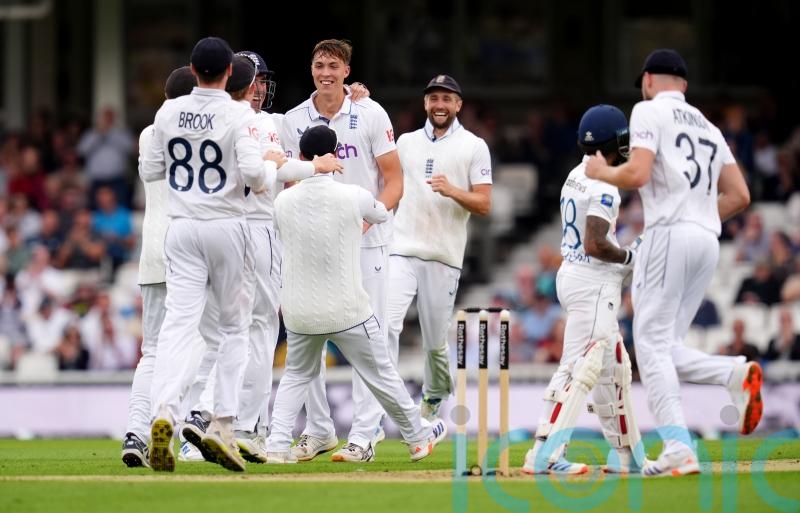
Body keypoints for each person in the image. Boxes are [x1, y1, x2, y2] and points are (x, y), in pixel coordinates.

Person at [586, 49, 759, 477]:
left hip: (670, 233)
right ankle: (733, 374)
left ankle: (678, 447)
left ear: (648, 80)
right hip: (707, 238)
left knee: (648, 344)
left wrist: (600, 172)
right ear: (683, 84)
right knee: (667, 346)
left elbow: (638, 173)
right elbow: (740, 196)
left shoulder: (647, 110)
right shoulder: (709, 126)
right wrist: (699, 218)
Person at [179, 54, 342, 464]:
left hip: (214, 230)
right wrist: (312, 167)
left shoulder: (213, 121)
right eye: (255, 82)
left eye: (263, 82)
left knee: (219, 331)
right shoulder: (259, 124)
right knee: (259, 331)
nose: (259, 89)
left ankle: (200, 419)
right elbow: (274, 169)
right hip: (256, 229)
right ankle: (244, 426)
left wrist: (355, 94)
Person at [265, 125, 446, 463]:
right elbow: (380, 213)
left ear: (302, 157)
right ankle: (418, 437)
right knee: (381, 374)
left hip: (300, 310)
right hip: (347, 308)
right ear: (334, 155)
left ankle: (276, 445)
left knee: (296, 376)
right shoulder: (353, 195)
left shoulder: (282, 201)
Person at [139, 36, 277, 473]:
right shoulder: (238, 114)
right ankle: (222, 422)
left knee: (179, 327)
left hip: (181, 228)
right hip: (227, 225)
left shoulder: (167, 111)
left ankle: (165, 410)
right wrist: (272, 165)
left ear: (193, 70)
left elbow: (150, 169)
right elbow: (256, 176)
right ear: (230, 75)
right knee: (234, 328)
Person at [279, 39, 403, 463]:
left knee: (373, 341)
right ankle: (318, 430)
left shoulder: (370, 112)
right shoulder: (293, 119)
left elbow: (394, 181)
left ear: (347, 71)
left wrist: (370, 218)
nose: (325, 72)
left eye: (333, 65)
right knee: (308, 333)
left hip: (369, 243)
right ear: (311, 69)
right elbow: (289, 181)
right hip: (318, 246)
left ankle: (364, 436)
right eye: (318, 65)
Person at [520, 105, 646, 475]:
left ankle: (628, 455)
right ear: (613, 142)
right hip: (593, 280)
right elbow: (595, 242)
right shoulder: (604, 182)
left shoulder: (577, 173)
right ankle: (544, 454)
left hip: (575, 276)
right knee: (580, 367)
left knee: (614, 368)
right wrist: (629, 257)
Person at [387, 74, 492, 422]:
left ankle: (435, 391)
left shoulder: (474, 146)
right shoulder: (405, 142)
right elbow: (390, 184)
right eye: (434, 99)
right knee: (387, 324)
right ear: (425, 104)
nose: (440, 105)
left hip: (443, 254)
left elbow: (484, 203)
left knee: (434, 342)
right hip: (401, 247)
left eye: (447, 99)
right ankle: (377, 411)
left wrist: (453, 191)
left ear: (458, 105)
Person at [121, 65, 197, 469]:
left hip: (153, 252)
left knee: (151, 352)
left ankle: (135, 432)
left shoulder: (149, 133)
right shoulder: (202, 129)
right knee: (198, 348)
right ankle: (177, 425)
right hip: (190, 252)